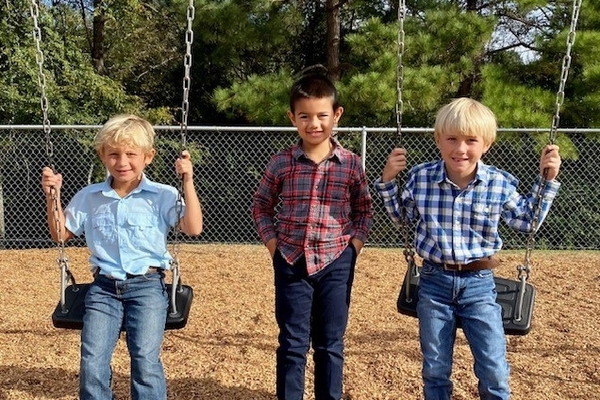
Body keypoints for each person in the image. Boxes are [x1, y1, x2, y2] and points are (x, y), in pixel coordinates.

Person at [374, 97, 561, 400]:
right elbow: (402, 217)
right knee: (435, 367)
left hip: (480, 286)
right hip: (433, 282)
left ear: (486, 144)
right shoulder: (422, 178)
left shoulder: (499, 184)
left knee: (493, 367)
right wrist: (388, 181)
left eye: (471, 140)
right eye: (452, 139)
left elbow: (527, 221)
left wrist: (547, 180)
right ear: (438, 140)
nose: (460, 148)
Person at [41, 114, 203, 400]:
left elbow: (193, 227)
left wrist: (187, 181)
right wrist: (52, 195)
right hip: (103, 288)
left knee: (144, 359)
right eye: (113, 154)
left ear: (148, 156)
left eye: (131, 154)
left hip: (148, 286)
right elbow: (60, 235)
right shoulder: (89, 197)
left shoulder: (163, 195)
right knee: (92, 360)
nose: (122, 162)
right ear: (103, 155)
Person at [252, 70, 373, 400]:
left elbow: (364, 208)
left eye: (322, 116)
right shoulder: (282, 163)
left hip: (336, 261)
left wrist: (354, 247)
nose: (314, 124)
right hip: (291, 261)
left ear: (336, 115)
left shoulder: (350, 163)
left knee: (330, 342)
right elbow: (262, 205)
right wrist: (273, 246)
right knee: (292, 342)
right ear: (292, 117)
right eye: (304, 116)